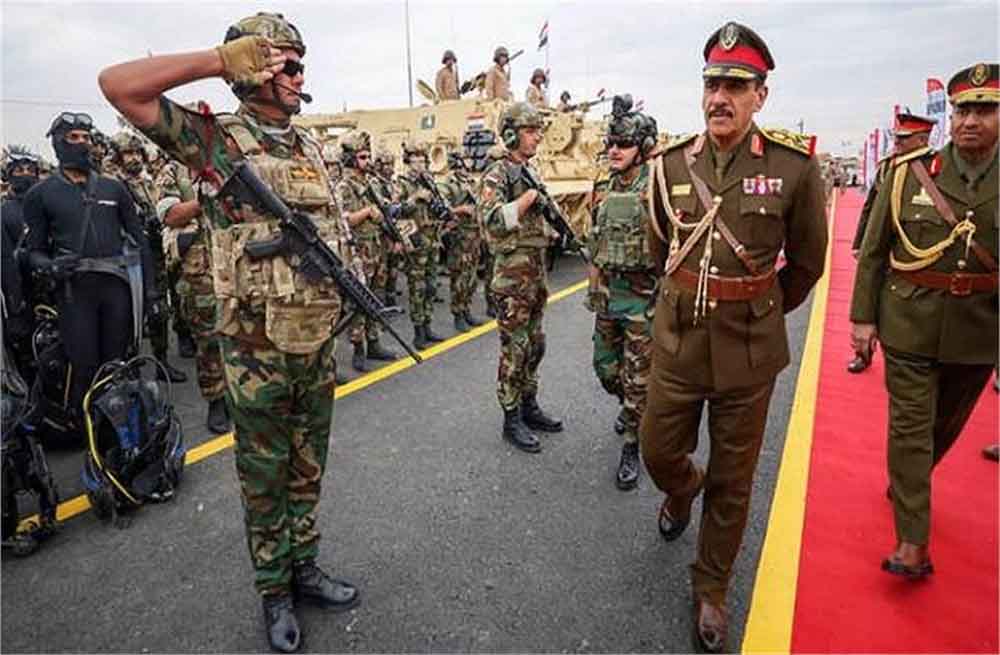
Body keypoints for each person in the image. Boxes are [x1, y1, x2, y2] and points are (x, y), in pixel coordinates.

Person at [99, 12, 361, 652]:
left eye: (300, 65)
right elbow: (119, 86)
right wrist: (219, 62)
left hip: (314, 338)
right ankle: (274, 590)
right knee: (263, 473)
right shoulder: (217, 142)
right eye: (287, 65)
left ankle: (304, 566)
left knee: (307, 466)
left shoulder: (308, 149)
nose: (300, 76)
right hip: (255, 347)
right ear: (255, 71)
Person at [639, 22, 828, 652]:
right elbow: (658, 249)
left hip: (750, 349)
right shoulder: (670, 164)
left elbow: (807, 263)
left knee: (735, 478)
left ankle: (712, 586)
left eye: (735, 86)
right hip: (678, 342)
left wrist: (757, 308)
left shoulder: (793, 167)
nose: (719, 97)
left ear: (760, 96)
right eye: (712, 84)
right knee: (658, 451)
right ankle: (681, 490)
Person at [850, 62, 998, 580]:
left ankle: (909, 478)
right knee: (910, 426)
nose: (971, 121)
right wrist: (862, 320)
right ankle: (913, 540)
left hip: (980, 329)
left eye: (985, 110)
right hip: (909, 320)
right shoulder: (909, 173)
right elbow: (874, 252)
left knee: (946, 424)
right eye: (962, 110)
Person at [24, 112, 158, 436]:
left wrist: (151, 293)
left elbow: (140, 241)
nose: (83, 143)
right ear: (58, 143)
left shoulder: (114, 188)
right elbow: (32, 252)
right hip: (74, 293)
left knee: (117, 364)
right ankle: (91, 436)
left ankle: (119, 438)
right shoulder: (40, 194)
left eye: (86, 137)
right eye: (74, 137)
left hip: (116, 289)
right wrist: (50, 266)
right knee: (84, 366)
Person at [477, 102, 564, 453]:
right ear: (511, 135)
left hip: (534, 275)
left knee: (535, 345)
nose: (537, 137)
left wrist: (552, 231)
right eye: (530, 131)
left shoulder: (530, 170)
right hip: (512, 280)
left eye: (537, 131)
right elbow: (491, 222)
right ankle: (511, 416)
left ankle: (529, 404)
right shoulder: (497, 174)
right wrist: (528, 199)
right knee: (515, 348)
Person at [587, 95, 659, 490]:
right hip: (609, 296)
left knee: (637, 379)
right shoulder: (602, 185)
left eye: (624, 144)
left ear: (643, 148)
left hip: (643, 299)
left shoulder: (658, 187)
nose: (614, 150)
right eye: (611, 143)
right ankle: (632, 409)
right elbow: (593, 238)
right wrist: (593, 286)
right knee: (605, 369)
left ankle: (633, 442)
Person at [847, 111, 936, 373]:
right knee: (869, 298)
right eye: (896, 138)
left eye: (903, 139)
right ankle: (863, 353)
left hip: (912, 250)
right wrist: (859, 242)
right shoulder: (887, 166)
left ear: (922, 140)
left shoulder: (936, 168)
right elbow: (871, 207)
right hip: (881, 244)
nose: (896, 143)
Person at [157, 155, 231, 434]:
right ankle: (216, 400)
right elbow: (170, 215)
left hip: (233, 263)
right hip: (200, 272)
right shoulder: (173, 172)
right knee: (209, 340)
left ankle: (240, 395)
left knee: (242, 335)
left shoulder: (225, 165)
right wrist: (208, 199)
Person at [109, 131, 188, 383]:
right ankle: (128, 365)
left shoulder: (148, 180)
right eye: (127, 154)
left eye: (136, 152)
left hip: (154, 252)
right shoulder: (112, 184)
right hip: (128, 257)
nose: (133, 158)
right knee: (127, 314)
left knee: (158, 311)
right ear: (118, 157)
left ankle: (161, 363)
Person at [334, 130, 399, 372]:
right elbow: (343, 220)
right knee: (358, 301)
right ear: (350, 159)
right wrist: (367, 212)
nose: (367, 161)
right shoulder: (344, 186)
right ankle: (358, 348)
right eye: (362, 157)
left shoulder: (370, 183)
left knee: (375, 295)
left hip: (376, 246)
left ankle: (374, 342)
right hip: (357, 251)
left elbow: (384, 211)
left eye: (367, 156)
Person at [396, 142, 447, 348]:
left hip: (432, 238)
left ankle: (427, 325)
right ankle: (418, 332)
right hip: (416, 240)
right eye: (415, 161)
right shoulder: (402, 183)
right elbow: (395, 210)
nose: (419, 165)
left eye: (422, 161)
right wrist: (415, 197)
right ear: (408, 163)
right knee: (417, 287)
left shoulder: (429, 181)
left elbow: (438, 207)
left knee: (431, 286)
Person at [1, 146, 42, 379]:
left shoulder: (49, 207)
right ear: (10, 174)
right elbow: (5, 262)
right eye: (19, 170)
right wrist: (15, 308)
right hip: (20, 299)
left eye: (30, 170)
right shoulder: (4, 212)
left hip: (55, 296)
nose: (25, 174)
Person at [438, 150, 485, 332]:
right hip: (460, 236)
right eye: (465, 160)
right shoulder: (448, 183)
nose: (469, 163)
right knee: (459, 277)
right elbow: (443, 208)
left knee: (471, 277)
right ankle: (457, 313)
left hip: (474, 236)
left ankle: (466, 309)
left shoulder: (470, 181)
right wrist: (461, 209)